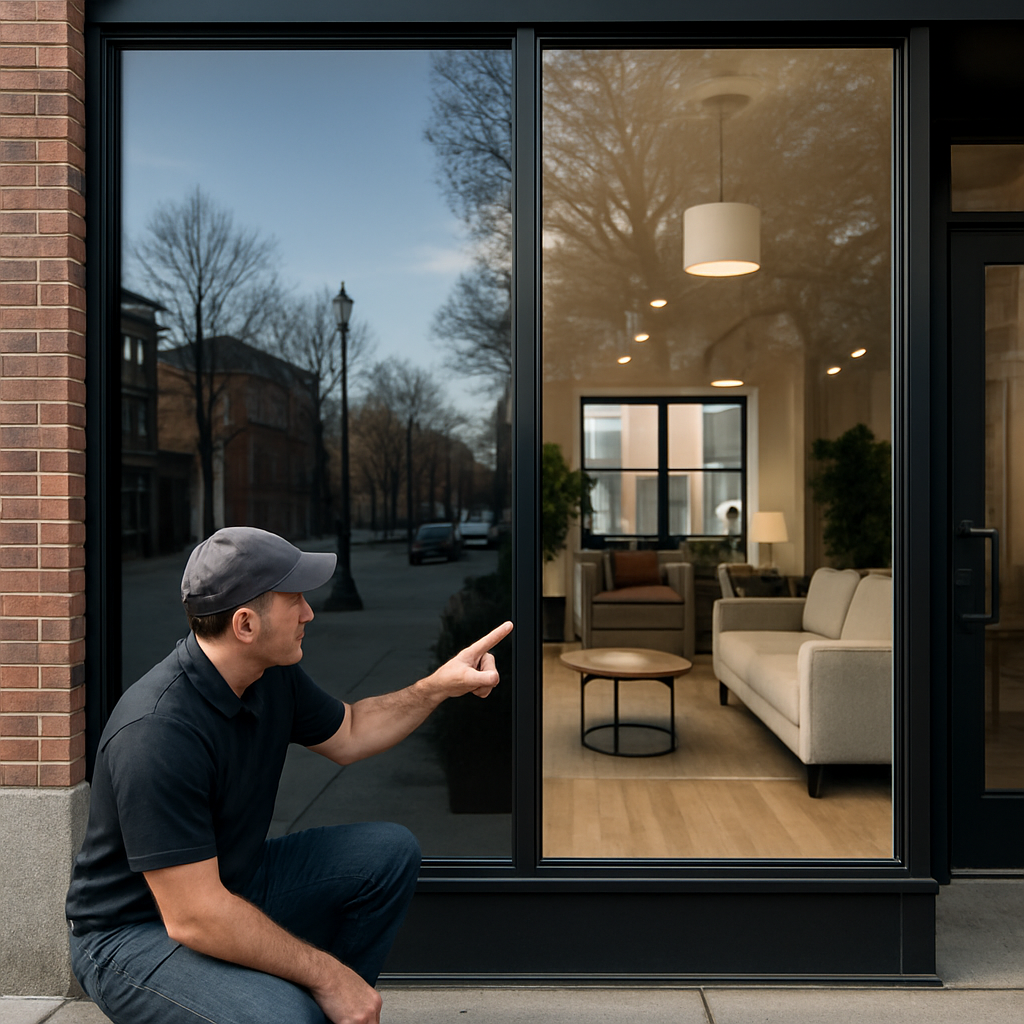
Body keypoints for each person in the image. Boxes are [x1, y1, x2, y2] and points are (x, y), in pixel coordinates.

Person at [66, 527, 513, 1024]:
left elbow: (351, 730)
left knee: (387, 854)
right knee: (285, 1015)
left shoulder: (269, 674)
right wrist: (328, 975)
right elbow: (194, 916)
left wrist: (438, 686)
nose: (309, 613)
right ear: (245, 624)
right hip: (134, 932)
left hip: (234, 883)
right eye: (295, 599)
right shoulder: (157, 732)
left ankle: (336, 1011)